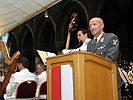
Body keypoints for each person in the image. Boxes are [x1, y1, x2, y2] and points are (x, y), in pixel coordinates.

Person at [87, 17, 121, 100]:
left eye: (94, 24)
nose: (92, 27)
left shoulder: (111, 38)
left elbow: (110, 58)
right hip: (95, 81)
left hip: (109, 78)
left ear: (102, 25)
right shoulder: (90, 44)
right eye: (90, 26)